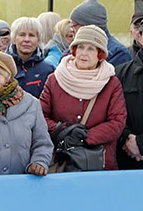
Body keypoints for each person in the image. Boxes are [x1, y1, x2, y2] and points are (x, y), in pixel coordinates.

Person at [39, 25, 127, 171]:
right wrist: (64, 132)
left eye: (91, 48)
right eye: (80, 47)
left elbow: (117, 121)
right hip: (62, 162)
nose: (84, 53)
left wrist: (86, 137)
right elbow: (40, 116)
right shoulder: (55, 79)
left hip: (99, 164)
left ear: (100, 54)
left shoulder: (111, 83)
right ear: (73, 50)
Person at [0, 50, 52, 176]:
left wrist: (39, 162)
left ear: (8, 76)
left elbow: (42, 142)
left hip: (24, 184)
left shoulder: (32, 104)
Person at [116, 15, 143, 168]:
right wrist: (126, 139)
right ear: (140, 37)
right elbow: (111, 112)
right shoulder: (121, 73)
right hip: (126, 161)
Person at [69, 0, 131, 67]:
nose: (71, 29)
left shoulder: (118, 54)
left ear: (88, 27)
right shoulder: (70, 50)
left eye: (74, 25)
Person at [5, 16, 55, 98]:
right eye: (22, 35)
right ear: (13, 39)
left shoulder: (48, 70)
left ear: (38, 40)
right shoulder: (2, 66)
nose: (27, 39)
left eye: (31, 35)